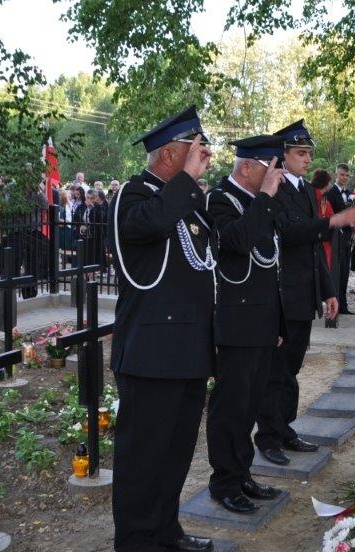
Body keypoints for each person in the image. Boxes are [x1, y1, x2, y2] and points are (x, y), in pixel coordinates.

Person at [108, 104, 215, 552]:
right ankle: (136, 542)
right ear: (169, 154)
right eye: (196, 146)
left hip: (189, 349)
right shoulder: (133, 196)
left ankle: (166, 532)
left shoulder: (186, 199)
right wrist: (188, 182)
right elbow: (150, 224)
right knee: (143, 458)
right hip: (151, 353)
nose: (206, 154)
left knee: (174, 454)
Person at [254, 119, 355, 467]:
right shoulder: (276, 187)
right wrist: (332, 221)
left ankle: (284, 428)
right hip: (282, 294)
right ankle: (268, 437)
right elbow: (289, 233)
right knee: (277, 371)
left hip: (303, 294)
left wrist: (328, 291)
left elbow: (315, 248)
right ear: (283, 154)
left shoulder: (304, 189)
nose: (307, 159)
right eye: (300, 153)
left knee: (292, 368)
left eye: (308, 153)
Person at [205, 135, 288, 516]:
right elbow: (237, 242)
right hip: (236, 321)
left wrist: (278, 322)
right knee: (231, 407)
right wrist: (265, 198)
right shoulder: (220, 200)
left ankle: (241, 474)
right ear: (248, 168)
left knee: (251, 404)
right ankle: (224, 482)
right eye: (273, 168)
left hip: (262, 321)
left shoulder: (260, 201)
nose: (278, 176)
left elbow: (272, 267)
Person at [310, 169, 341, 328]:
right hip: (323, 244)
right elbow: (331, 219)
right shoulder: (322, 199)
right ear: (327, 184)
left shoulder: (310, 195)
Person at [325, 163, 353, 315]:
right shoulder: (331, 193)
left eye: (347, 175)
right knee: (336, 271)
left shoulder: (350, 194)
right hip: (335, 237)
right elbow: (329, 215)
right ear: (336, 174)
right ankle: (334, 305)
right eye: (342, 174)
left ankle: (343, 305)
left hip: (348, 238)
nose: (345, 178)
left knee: (345, 272)